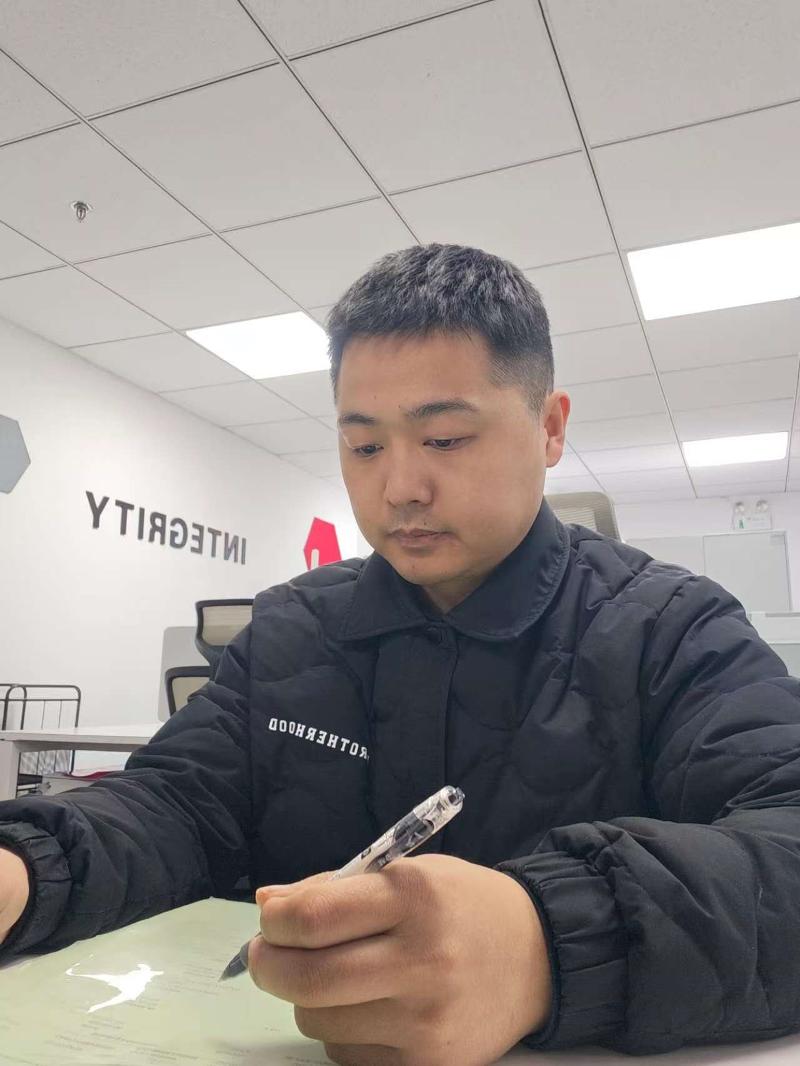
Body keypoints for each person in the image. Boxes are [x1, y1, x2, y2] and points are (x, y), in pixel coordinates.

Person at [1, 243, 800, 1066]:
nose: (400, 488)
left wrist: (548, 942)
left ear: (551, 428)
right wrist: (26, 867)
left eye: (445, 438)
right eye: (365, 447)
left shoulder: (672, 628)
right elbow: (174, 804)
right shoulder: (292, 630)